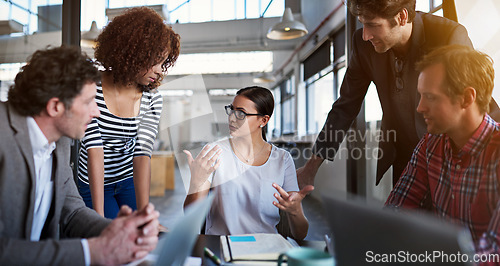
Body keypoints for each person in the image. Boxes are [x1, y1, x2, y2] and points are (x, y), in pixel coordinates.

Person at [297, 0, 500, 189]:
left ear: (402, 17)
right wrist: (310, 168)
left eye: (373, 25)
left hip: (449, 159)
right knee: (400, 221)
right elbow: (345, 105)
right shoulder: (363, 45)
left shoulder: (448, 35)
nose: (366, 34)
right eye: (362, 24)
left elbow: (476, 103)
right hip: (405, 160)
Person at [0, 45, 160, 265]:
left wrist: (115, 230)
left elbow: (73, 211)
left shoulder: (61, 141)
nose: (96, 111)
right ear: (55, 106)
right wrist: (92, 251)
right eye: (88, 102)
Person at [385, 45, 500, 259]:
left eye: (430, 97)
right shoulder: (431, 143)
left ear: (466, 98)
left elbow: (493, 253)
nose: (420, 107)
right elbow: (397, 208)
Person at [77, 7, 180, 218]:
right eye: (156, 61)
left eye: (164, 63)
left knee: (137, 230)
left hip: (127, 180)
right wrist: (98, 219)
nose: (160, 70)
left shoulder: (152, 99)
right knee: (111, 231)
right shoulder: (90, 86)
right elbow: (94, 150)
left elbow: (142, 156)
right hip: (94, 181)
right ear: (134, 54)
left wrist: (145, 215)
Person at [183, 86, 314, 240]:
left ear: (263, 120)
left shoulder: (282, 160)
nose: (231, 118)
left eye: (241, 114)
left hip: (265, 249)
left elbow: (300, 234)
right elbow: (191, 216)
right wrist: (196, 183)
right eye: (231, 110)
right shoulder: (214, 152)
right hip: (221, 246)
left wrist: (295, 210)